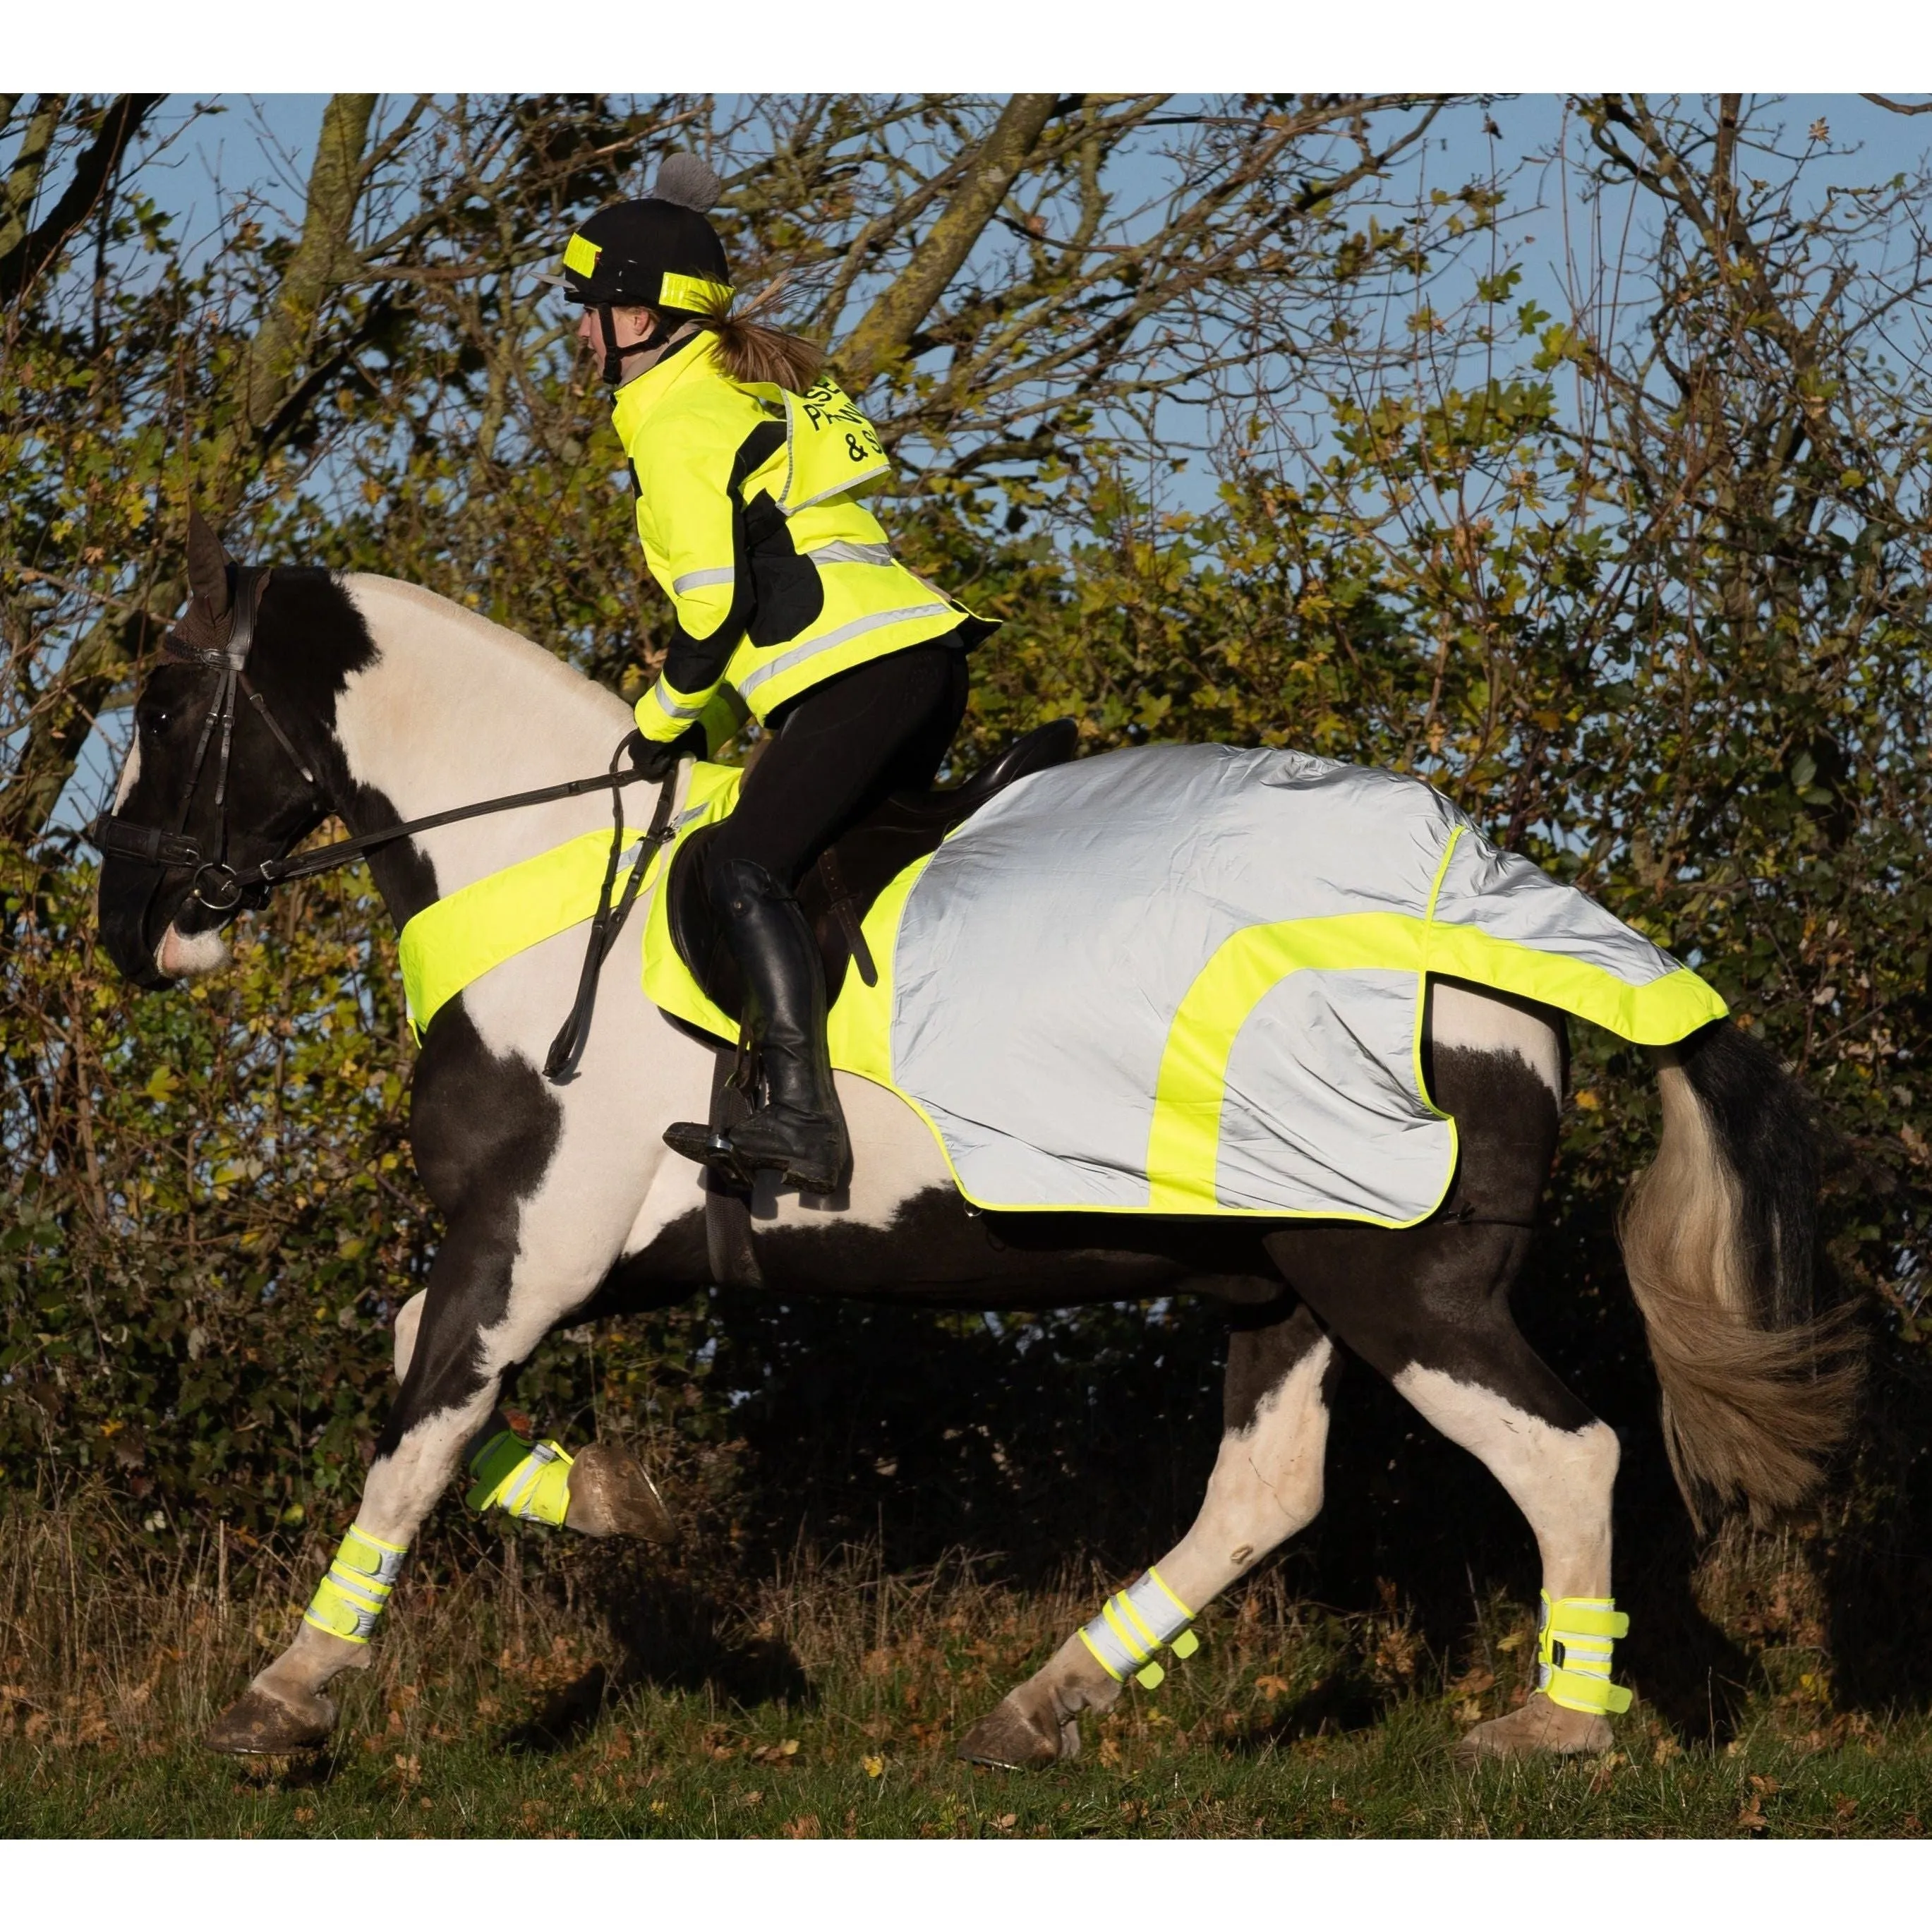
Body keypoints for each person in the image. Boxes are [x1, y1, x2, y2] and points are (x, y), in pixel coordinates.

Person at [552, 155, 994, 1195]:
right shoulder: (746, 383)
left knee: (738, 868)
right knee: (811, 875)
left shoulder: (677, 421)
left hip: (861, 675)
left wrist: (660, 722)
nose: (577, 330)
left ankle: (801, 1120)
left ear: (647, 317)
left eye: (591, 308)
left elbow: (713, 609)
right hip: (911, 664)